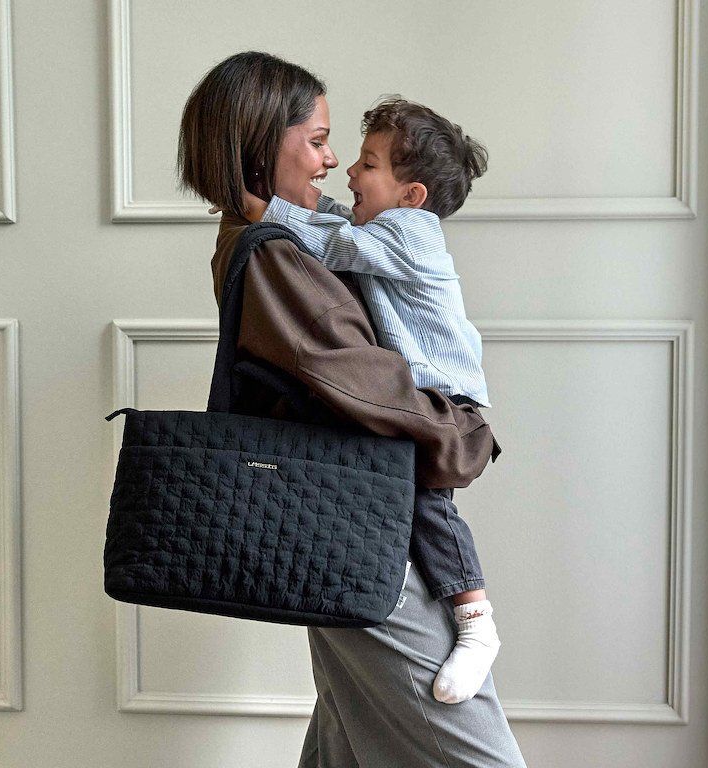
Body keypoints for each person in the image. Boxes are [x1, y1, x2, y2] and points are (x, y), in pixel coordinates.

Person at [178, 51, 527, 767]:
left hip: (339, 528)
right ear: (259, 143)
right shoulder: (274, 253)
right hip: (370, 538)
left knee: (345, 744)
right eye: (316, 141)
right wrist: (462, 432)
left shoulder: (279, 241)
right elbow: (364, 386)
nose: (333, 160)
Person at [239, 96, 501, 706]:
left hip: (442, 395)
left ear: (412, 196)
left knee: (428, 503)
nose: (350, 171)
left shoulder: (410, 232)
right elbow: (338, 224)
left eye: (369, 164)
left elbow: (335, 243)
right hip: (423, 389)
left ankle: (475, 620)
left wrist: (263, 210)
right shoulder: (386, 227)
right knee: (416, 500)